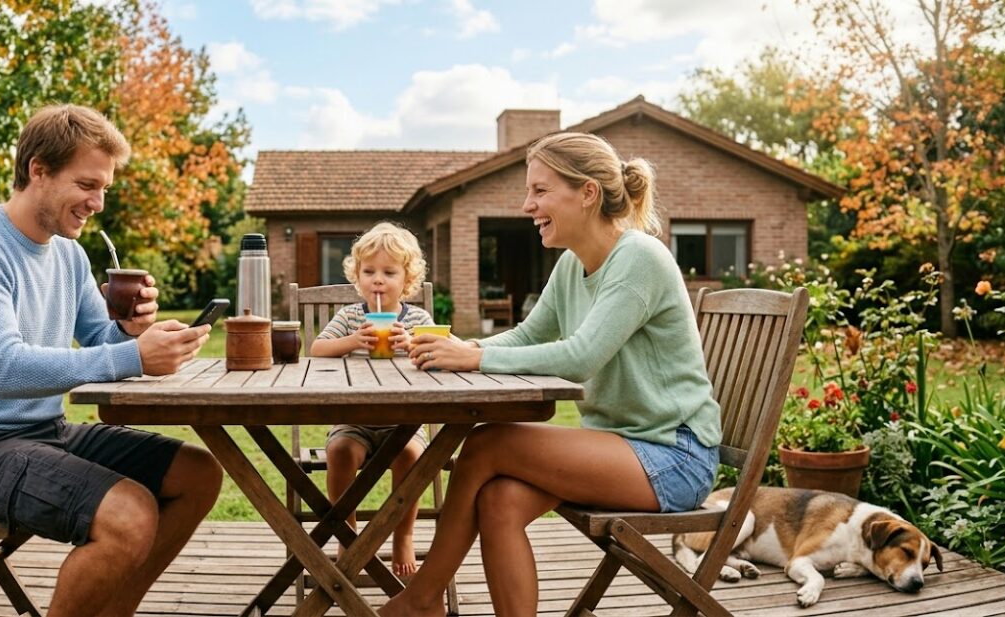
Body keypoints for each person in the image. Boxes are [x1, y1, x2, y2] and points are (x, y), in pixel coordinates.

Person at [383, 132, 723, 617]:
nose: (527, 205)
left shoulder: (639, 259)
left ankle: (421, 599)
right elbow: (526, 337)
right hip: (621, 444)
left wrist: (474, 360)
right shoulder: (571, 266)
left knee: (486, 444)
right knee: (499, 501)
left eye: (540, 191)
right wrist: (464, 347)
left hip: (674, 456)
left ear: (587, 193)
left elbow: (581, 356)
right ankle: (425, 600)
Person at [0, 104, 223, 617]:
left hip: (42, 432)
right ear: (38, 170)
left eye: (103, 188)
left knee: (197, 474)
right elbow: (4, 369)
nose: (98, 202)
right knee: (128, 515)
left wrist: (131, 329)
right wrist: (131, 356)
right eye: (86, 185)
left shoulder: (67, 253)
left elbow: (97, 336)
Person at [308, 221, 434, 579]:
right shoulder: (350, 318)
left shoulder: (417, 319)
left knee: (412, 455)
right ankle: (346, 533)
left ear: (406, 280)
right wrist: (351, 342)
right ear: (357, 276)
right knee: (340, 452)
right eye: (369, 271)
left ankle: (403, 534)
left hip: (404, 421)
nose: (378, 280)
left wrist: (410, 345)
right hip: (355, 419)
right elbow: (317, 348)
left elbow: (436, 356)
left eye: (389, 272)